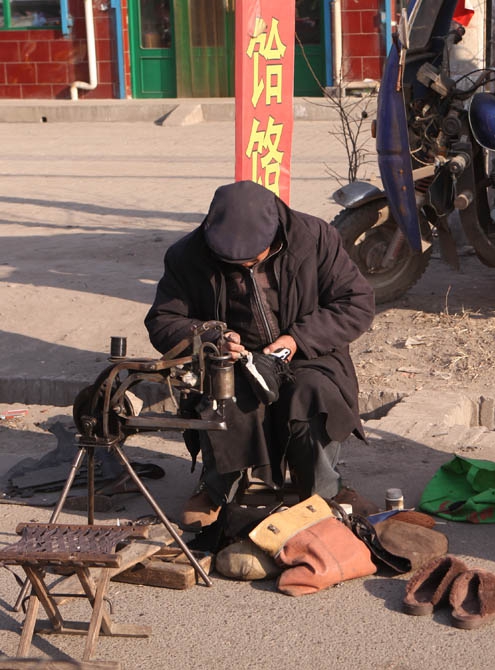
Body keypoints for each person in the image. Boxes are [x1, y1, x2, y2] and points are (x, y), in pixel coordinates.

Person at [145, 180, 375, 531]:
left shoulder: (316, 238)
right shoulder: (187, 255)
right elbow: (162, 320)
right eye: (232, 263)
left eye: (253, 260)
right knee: (227, 396)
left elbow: (356, 303)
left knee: (312, 392)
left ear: (275, 234)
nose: (245, 267)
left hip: (307, 354)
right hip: (234, 361)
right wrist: (210, 336)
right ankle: (219, 490)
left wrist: (296, 339)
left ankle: (324, 490)